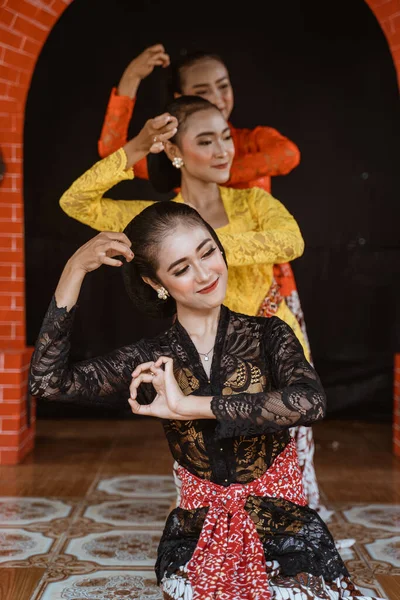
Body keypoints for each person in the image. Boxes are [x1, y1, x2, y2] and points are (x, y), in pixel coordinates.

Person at [29, 201, 380, 600]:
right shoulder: (153, 358)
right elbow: (47, 382)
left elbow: (310, 403)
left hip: (284, 530)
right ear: (155, 283)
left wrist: (189, 405)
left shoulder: (268, 335)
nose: (204, 274)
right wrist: (74, 270)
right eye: (180, 269)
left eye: (208, 252)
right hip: (196, 535)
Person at [60, 95, 325, 515]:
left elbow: (291, 242)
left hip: (270, 349)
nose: (223, 150)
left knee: (286, 471)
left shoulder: (252, 203)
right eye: (206, 141)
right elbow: (75, 202)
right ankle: (210, 557)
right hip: (199, 360)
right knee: (209, 473)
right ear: (175, 152)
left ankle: (294, 551)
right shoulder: (159, 218)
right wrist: (136, 147)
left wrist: (194, 250)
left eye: (225, 137)